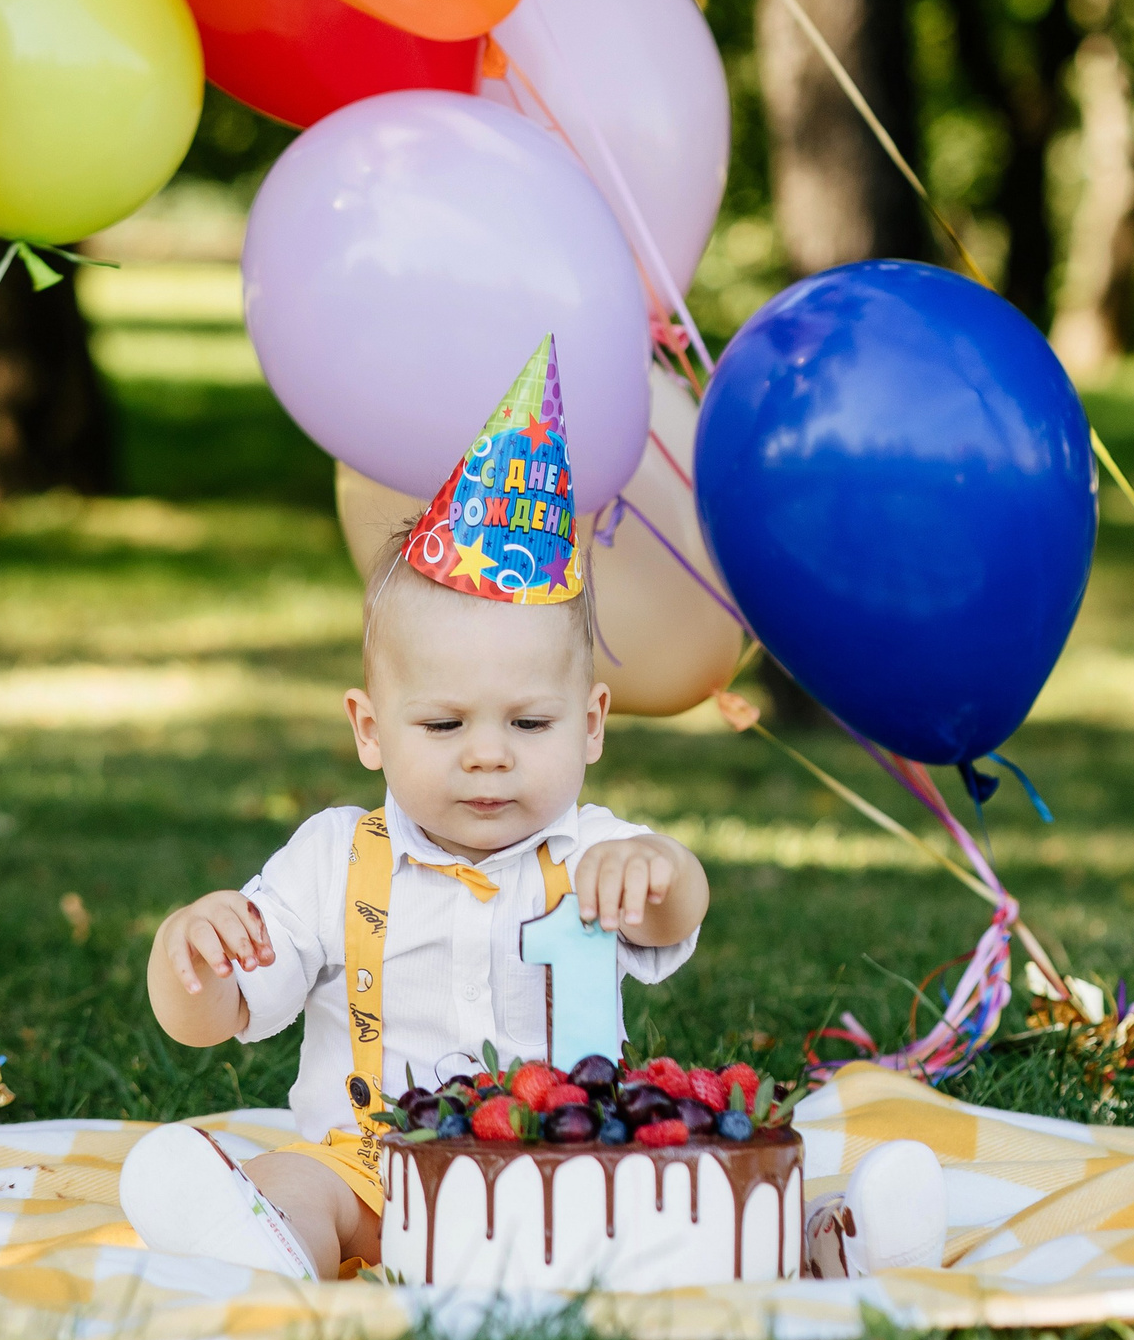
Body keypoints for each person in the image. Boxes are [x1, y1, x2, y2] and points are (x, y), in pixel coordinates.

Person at [116, 338, 709, 1279]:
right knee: (294, 1179)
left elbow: (677, 911)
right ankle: (264, 1243)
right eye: (441, 723)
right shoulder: (334, 860)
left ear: (592, 724)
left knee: (693, 1185)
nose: (487, 751)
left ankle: (829, 1239)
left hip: (569, 1171)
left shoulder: (595, 850)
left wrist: (664, 874)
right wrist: (188, 955)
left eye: (528, 719)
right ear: (370, 729)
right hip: (374, 1175)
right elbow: (214, 1016)